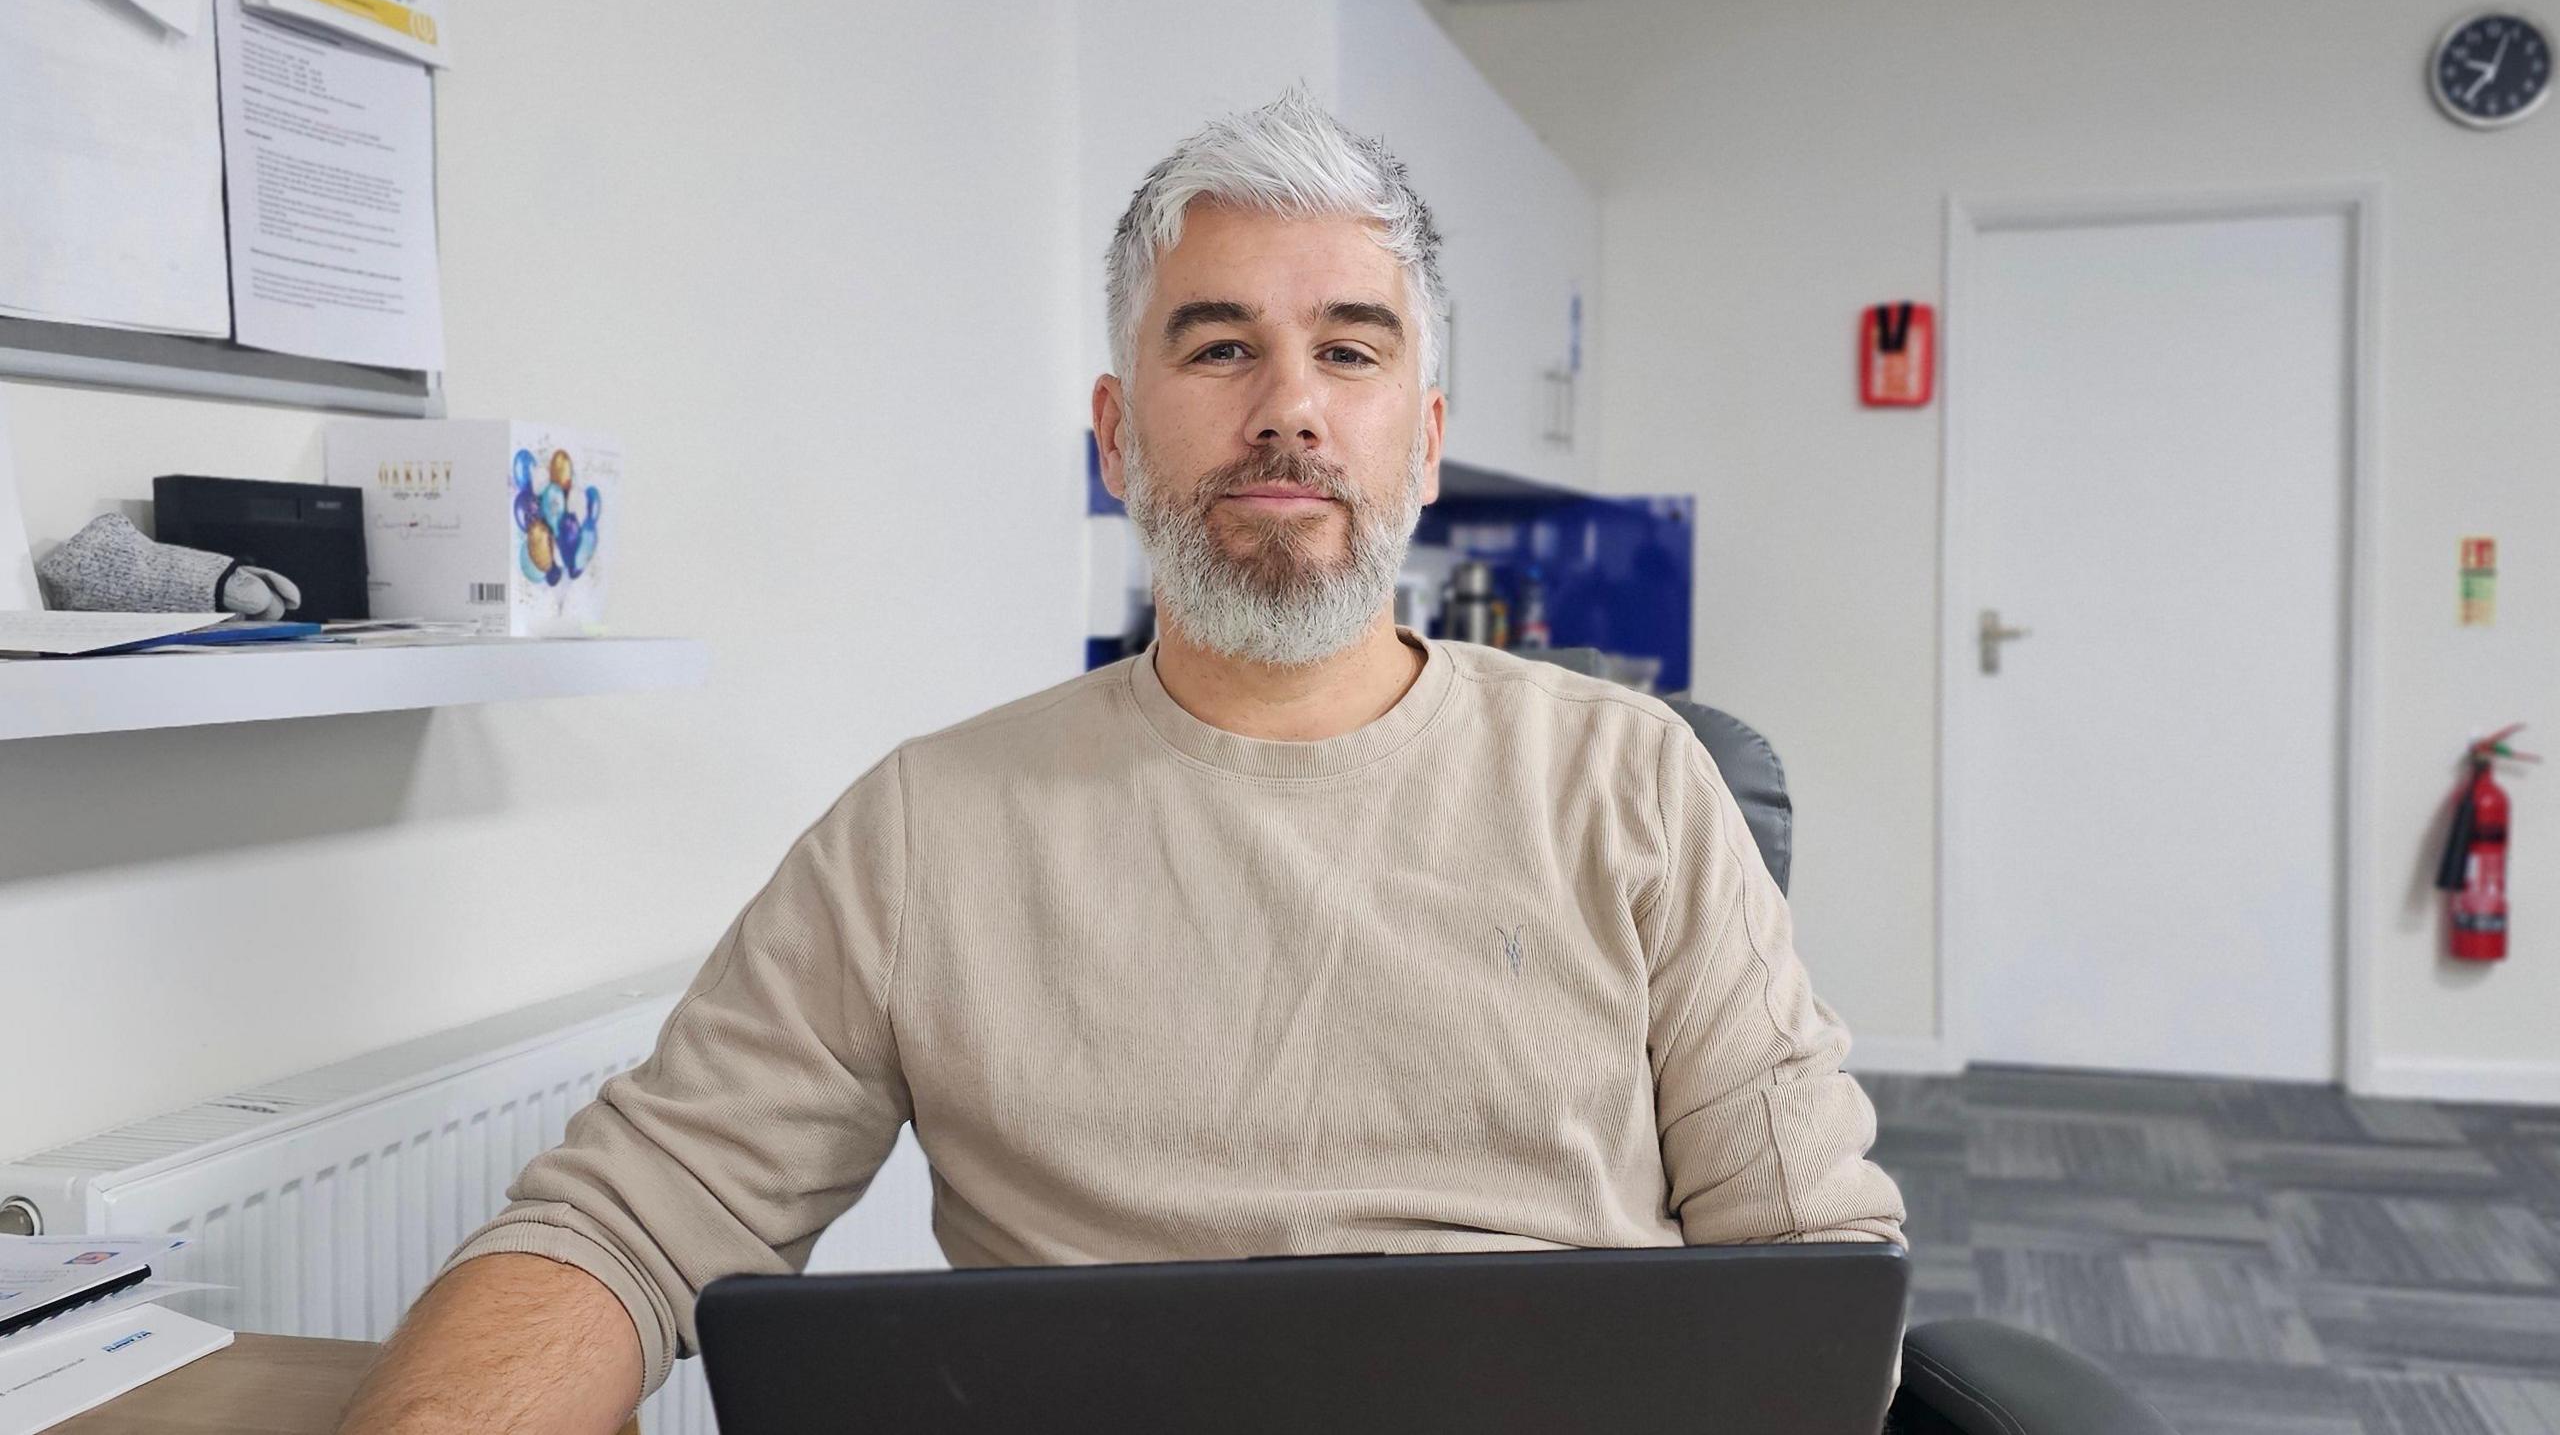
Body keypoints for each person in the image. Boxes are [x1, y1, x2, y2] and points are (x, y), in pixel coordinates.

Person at [337, 92, 1905, 1434]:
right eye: (1219, 346)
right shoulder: (925, 832)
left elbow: (1821, 1275)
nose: (1288, 408)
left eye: (1349, 354)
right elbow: (624, 1222)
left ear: (1423, 438)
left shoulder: (1633, 784)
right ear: (1115, 434)